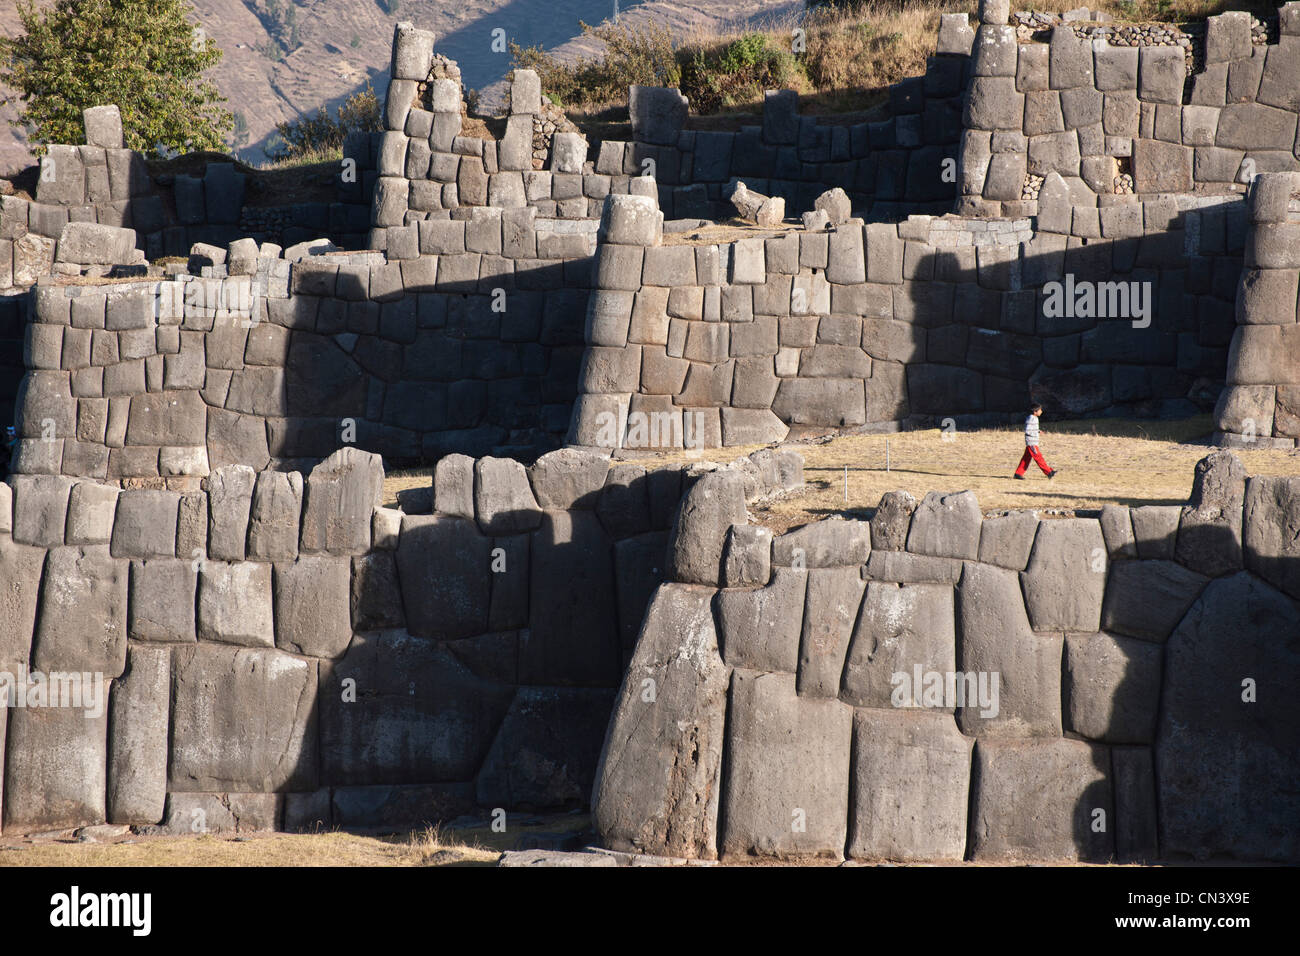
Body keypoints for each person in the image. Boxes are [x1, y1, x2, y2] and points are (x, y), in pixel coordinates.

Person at [1013, 403, 1058, 480]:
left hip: (1032, 442)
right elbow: (1028, 430)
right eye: (1040, 410)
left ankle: (1018, 473)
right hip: (1032, 443)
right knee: (1038, 457)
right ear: (1035, 411)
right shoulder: (1032, 418)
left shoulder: (1033, 418)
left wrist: (1038, 431)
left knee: (1026, 459)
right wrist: (1036, 432)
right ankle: (1049, 472)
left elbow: (1032, 429)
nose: (1041, 411)